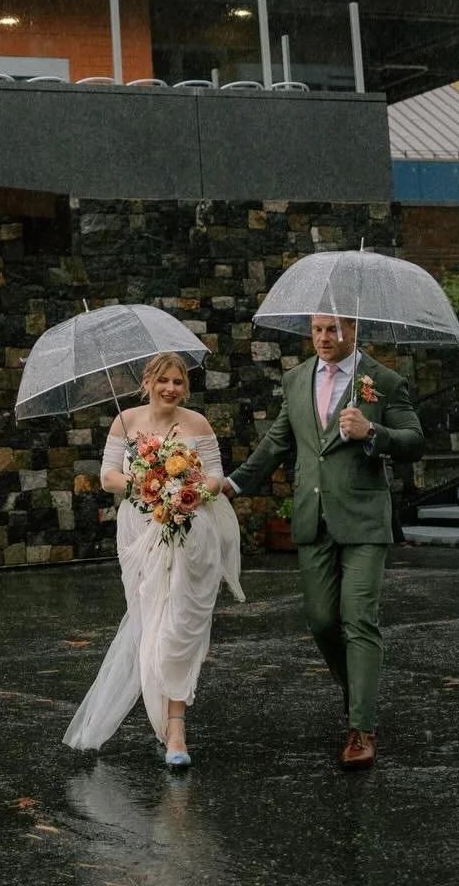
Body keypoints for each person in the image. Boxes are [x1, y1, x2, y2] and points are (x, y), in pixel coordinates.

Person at [223, 313, 424, 770]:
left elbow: (414, 440)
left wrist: (372, 431)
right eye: (316, 330)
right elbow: (277, 442)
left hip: (365, 521)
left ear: (353, 329)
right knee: (320, 621)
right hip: (314, 519)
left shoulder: (384, 381)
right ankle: (359, 694)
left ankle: (361, 729)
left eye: (333, 329)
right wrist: (232, 485)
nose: (324, 338)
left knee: (358, 617)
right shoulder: (295, 380)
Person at [63, 352, 243, 767]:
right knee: (151, 624)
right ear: (147, 382)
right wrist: (150, 480)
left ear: (186, 387)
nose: (170, 389)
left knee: (180, 626)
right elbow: (108, 477)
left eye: (178, 382)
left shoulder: (198, 424)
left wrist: (191, 486)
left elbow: (217, 477)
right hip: (140, 532)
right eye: (162, 380)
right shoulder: (124, 422)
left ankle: (176, 728)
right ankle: (164, 718)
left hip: (191, 534)